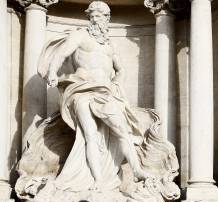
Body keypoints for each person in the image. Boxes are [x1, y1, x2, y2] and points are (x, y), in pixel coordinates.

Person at [38, 0, 151, 191]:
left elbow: (121, 70)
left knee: (122, 130)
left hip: (105, 92)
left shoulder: (109, 44)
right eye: (92, 16)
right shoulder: (80, 35)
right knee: (89, 135)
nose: (95, 19)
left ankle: (137, 169)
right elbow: (61, 55)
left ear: (107, 18)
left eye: (99, 16)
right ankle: (98, 180)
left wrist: (117, 85)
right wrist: (52, 73)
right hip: (81, 90)